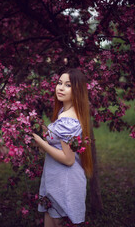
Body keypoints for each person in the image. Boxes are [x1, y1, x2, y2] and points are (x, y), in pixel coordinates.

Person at [33, 68, 93, 227]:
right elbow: (59, 140)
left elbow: (68, 159)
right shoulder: (64, 111)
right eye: (59, 83)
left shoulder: (68, 118)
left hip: (65, 181)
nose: (60, 88)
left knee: (55, 221)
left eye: (67, 85)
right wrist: (46, 130)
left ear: (77, 90)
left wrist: (40, 142)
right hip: (56, 178)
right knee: (50, 219)